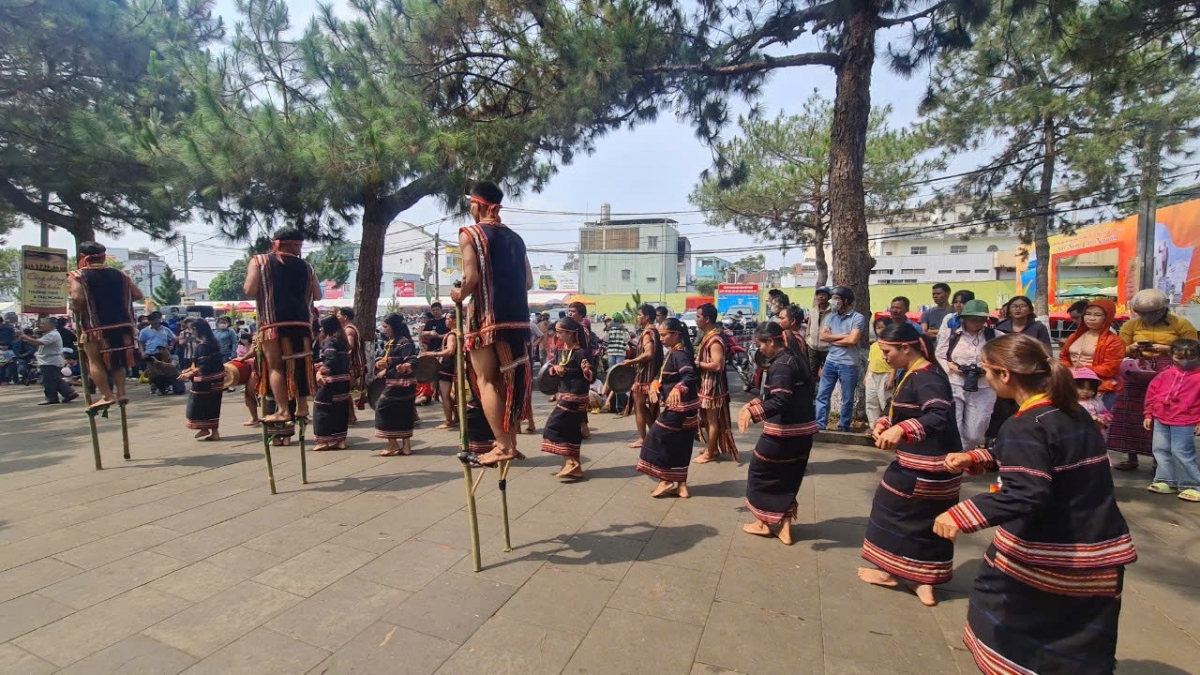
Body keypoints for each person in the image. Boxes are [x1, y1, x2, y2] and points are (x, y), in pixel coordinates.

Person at [934, 333, 1137, 675]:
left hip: (1055, 551)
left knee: (1003, 617)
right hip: (1101, 546)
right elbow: (1042, 458)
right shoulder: (1070, 411)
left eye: (986, 370)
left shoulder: (1025, 425)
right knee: (1080, 638)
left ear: (1004, 375)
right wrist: (978, 457)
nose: (984, 377)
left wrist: (962, 513)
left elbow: (1027, 491)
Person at [859, 321, 961, 607]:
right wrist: (885, 424)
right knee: (929, 522)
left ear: (906, 347)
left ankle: (896, 573)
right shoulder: (915, 374)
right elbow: (901, 412)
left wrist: (902, 431)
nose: (885, 357)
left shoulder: (928, 378)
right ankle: (924, 580)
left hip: (925, 468)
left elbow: (938, 415)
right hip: (937, 468)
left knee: (890, 512)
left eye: (888, 351)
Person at [450, 181, 533, 466]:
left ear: (479, 205)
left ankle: (501, 444)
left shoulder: (470, 233)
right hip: (518, 319)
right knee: (507, 383)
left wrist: (458, 294)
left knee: (485, 382)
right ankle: (512, 443)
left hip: (487, 319)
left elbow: (471, 280)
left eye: (471, 203)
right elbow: (529, 281)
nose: (469, 208)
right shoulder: (516, 238)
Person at [737, 322, 817, 545]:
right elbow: (783, 394)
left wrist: (754, 414)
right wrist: (755, 403)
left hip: (782, 435)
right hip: (804, 434)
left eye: (760, 344)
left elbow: (782, 399)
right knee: (788, 478)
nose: (760, 349)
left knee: (760, 475)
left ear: (771, 341)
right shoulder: (797, 360)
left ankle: (763, 523)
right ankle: (785, 527)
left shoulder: (781, 365)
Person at [1110, 288, 1198, 471]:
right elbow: (1120, 350)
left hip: (1169, 371)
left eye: (1151, 313)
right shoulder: (1131, 326)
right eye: (1142, 313)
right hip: (1136, 370)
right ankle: (1131, 456)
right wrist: (1132, 347)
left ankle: (1160, 460)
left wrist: (1166, 349)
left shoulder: (1181, 324)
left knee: (1162, 412)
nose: (1147, 316)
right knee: (1130, 413)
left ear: (1162, 310)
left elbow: (1193, 349)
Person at [243, 227, 320, 423]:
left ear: (276, 243)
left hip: (273, 323)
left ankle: (284, 410)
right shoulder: (307, 266)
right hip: (302, 323)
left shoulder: (259, 261)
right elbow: (317, 295)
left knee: (276, 367)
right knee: (301, 364)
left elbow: (250, 290)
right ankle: (302, 407)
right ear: (295, 245)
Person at [66, 243, 142, 407]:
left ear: (83, 257)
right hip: (122, 325)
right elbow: (137, 294)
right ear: (104, 256)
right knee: (117, 361)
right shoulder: (121, 275)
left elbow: (78, 299)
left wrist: (77, 307)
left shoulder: (78, 275)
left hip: (94, 327)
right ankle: (121, 393)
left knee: (94, 361)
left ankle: (107, 395)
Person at [637, 317, 699, 498]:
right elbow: (662, 375)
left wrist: (678, 389)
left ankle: (665, 481)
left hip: (679, 409)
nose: (661, 338)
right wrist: (655, 385)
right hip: (688, 408)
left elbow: (689, 376)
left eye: (664, 335)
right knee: (680, 444)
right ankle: (681, 485)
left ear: (675, 335)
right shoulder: (675, 351)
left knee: (655, 438)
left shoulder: (679, 354)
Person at [935, 299, 999, 451]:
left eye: (980, 318)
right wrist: (950, 366)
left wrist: (989, 368)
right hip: (954, 384)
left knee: (975, 432)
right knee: (953, 425)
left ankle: (963, 453)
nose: (976, 322)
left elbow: (1006, 358)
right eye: (972, 318)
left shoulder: (995, 335)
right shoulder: (951, 334)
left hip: (984, 386)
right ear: (963, 317)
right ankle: (954, 459)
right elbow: (939, 355)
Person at [1143, 338, 1200, 502]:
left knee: (1181, 452)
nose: (1185, 361)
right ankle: (1166, 480)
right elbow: (1152, 393)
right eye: (1179, 356)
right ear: (1172, 355)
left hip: (1185, 419)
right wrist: (1148, 414)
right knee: (1160, 449)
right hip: (1161, 417)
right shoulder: (1165, 374)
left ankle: (1193, 485)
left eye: (1190, 357)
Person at [541, 316, 595, 479]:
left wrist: (586, 371)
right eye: (556, 332)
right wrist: (556, 368)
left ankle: (571, 462)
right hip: (564, 393)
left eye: (560, 332)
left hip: (575, 396)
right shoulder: (560, 351)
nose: (557, 336)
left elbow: (592, 377)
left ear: (571, 333)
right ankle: (575, 467)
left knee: (553, 427)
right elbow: (553, 368)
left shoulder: (582, 353)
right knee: (571, 431)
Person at [816, 286, 866, 432]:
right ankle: (820, 425)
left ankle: (843, 426)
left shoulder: (857, 318)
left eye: (837, 298)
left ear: (846, 300)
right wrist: (845, 336)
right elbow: (822, 337)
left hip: (848, 364)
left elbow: (853, 340)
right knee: (822, 394)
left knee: (847, 398)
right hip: (831, 361)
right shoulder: (831, 317)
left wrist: (833, 339)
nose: (833, 301)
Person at [1059, 299, 1124, 409]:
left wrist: (1082, 370)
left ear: (1108, 317)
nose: (1091, 318)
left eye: (1097, 315)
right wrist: (1068, 369)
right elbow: (1064, 357)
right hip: (1072, 386)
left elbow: (1110, 368)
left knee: (1096, 422)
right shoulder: (1074, 337)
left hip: (1098, 388)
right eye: (1087, 314)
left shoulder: (1114, 341)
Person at [694, 303, 737, 464]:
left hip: (712, 387)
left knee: (712, 420)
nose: (696, 320)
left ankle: (710, 453)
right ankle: (713, 448)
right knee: (706, 418)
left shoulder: (714, 340)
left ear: (707, 319)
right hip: (705, 385)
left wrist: (698, 364)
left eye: (698, 316)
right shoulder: (708, 336)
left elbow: (718, 365)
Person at [625, 304, 663, 449]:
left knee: (639, 407)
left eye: (639, 314)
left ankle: (643, 438)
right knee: (642, 407)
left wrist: (631, 361)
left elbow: (649, 353)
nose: (637, 317)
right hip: (650, 374)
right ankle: (655, 434)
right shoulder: (653, 331)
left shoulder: (648, 332)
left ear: (647, 317)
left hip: (644, 376)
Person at [313, 315, 351, 451]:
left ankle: (323, 441)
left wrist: (320, 372)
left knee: (321, 408)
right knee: (340, 409)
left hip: (331, 381)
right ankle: (341, 440)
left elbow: (330, 359)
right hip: (344, 380)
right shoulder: (342, 341)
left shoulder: (329, 341)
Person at [21, 317, 78, 405]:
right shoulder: (49, 334)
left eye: (44, 323)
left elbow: (37, 342)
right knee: (54, 379)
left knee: (48, 380)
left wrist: (24, 336)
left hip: (50, 361)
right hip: (48, 360)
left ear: (51, 325)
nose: (41, 325)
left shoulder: (53, 334)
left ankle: (52, 398)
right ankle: (69, 393)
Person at [184, 319, 225, 441]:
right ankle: (212, 431)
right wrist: (189, 371)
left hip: (206, 381)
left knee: (200, 406)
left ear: (196, 330)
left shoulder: (203, 346)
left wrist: (190, 373)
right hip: (217, 379)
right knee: (213, 405)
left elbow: (204, 366)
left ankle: (207, 429)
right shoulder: (213, 342)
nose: (190, 332)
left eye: (191, 329)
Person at [336, 307, 365, 426]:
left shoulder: (348, 330)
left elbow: (350, 347)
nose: (337, 318)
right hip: (354, 364)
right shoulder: (350, 328)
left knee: (345, 391)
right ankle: (351, 416)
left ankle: (351, 417)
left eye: (338, 315)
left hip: (352, 365)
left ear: (345, 317)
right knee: (346, 391)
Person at [863, 317, 894, 425]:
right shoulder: (875, 345)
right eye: (877, 328)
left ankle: (886, 425)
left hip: (886, 375)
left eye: (882, 327)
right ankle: (873, 426)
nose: (880, 330)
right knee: (871, 401)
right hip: (873, 374)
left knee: (885, 402)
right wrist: (867, 376)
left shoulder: (892, 345)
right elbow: (870, 362)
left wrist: (891, 378)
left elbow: (894, 364)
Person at [432, 310, 459, 429]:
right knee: (453, 396)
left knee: (445, 395)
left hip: (447, 367)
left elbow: (450, 351)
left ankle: (449, 421)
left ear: (454, 320)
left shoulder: (452, 335)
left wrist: (432, 354)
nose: (446, 320)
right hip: (455, 367)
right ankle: (456, 417)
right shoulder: (459, 333)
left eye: (448, 319)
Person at [604, 313, 631, 413]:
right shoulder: (610, 329)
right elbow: (605, 339)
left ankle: (621, 405)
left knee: (619, 377)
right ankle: (616, 405)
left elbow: (627, 339)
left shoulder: (624, 330)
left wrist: (624, 330)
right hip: (611, 353)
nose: (616, 323)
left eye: (617, 321)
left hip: (620, 354)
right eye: (615, 321)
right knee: (612, 377)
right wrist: (607, 329)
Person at [1074, 367, 1111, 437]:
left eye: (1089, 388)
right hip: (1077, 433)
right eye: (1081, 388)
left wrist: (1101, 418)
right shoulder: (1072, 402)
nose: (1085, 391)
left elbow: (1105, 413)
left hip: (1094, 433)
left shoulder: (1096, 401)